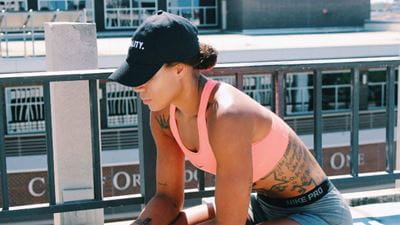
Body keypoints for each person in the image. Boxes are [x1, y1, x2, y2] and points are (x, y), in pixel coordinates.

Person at [108, 10, 352, 225]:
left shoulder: (228, 115)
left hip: (317, 214)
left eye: (145, 77)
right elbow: (167, 198)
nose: (137, 87)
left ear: (180, 69)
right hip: (258, 205)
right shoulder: (162, 115)